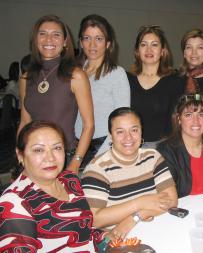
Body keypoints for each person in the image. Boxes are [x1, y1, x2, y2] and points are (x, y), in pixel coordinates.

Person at [0, 121, 109, 252]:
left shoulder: (69, 180)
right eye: (38, 150)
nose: (50, 158)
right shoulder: (15, 202)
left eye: (57, 148)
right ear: (20, 155)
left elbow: (83, 229)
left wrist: (105, 237)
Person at [81, 107, 178, 239]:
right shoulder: (97, 169)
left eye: (134, 130)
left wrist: (136, 217)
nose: (129, 137)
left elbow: (171, 201)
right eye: (120, 132)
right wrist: (141, 202)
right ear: (110, 135)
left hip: (157, 230)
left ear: (141, 132)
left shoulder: (153, 157)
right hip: (120, 238)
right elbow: (95, 219)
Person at [18, 15, 94, 173]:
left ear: (65, 41)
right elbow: (25, 121)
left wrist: (76, 162)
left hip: (64, 157)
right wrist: (20, 152)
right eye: (43, 33)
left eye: (56, 34)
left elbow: (89, 125)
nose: (49, 39)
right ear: (35, 39)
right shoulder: (26, 77)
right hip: (35, 157)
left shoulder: (76, 75)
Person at [75, 14, 130, 168]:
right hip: (76, 147)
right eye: (87, 38)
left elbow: (122, 120)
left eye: (98, 38)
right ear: (80, 42)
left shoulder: (116, 74)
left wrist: (100, 158)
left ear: (107, 44)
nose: (92, 44)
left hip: (102, 148)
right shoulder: (75, 73)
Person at [157, 94, 203, 198]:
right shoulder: (166, 152)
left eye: (201, 115)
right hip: (185, 211)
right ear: (179, 119)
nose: (196, 121)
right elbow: (168, 197)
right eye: (188, 115)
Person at [127, 25, 182, 148]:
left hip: (162, 147)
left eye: (154, 44)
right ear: (137, 51)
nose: (149, 49)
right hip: (129, 145)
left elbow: (176, 122)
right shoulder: (126, 80)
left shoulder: (175, 81)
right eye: (143, 44)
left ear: (163, 51)